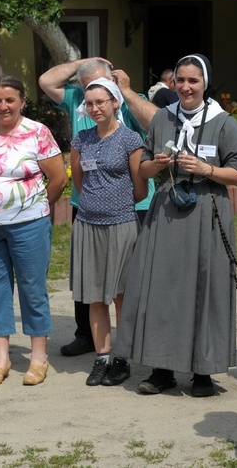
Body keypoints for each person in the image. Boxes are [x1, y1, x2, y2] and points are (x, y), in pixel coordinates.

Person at [114, 53, 237, 397]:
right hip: (167, 209)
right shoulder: (161, 119)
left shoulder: (224, 122)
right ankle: (162, 368)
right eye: (181, 80)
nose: (186, 87)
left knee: (205, 285)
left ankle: (203, 371)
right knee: (162, 287)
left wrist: (206, 170)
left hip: (207, 209)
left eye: (193, 81)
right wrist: (156, 165)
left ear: (205, 84)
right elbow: (141, 168)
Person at [38, 57, 156, 361]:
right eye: (88, 93)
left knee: (124, 284)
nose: (93, 105)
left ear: (113, 91)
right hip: (88, 208)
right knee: (91, 283)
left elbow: (155, 124)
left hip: (130, 208)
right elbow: (46, 81)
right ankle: (89, 339)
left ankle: (130, 347)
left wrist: (126, 92)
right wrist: (84, 61)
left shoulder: (130, 101)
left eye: (100, 95)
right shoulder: (78, 102)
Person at [0, 76, 67, 387]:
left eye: (10, 100)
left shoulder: (37, 132)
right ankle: (2, 358)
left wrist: (33, 207)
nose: (3, 106)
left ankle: (37, 359)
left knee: (33, 290)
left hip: (30, 225)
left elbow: (58, 178)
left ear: (22, 101)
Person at [69, 78, 147, 386]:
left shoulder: (130, 139)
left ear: (115, 102)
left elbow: (140, 189)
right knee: (94, 296)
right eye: (89, 103)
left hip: (121, 224)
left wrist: (114, 205)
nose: (95, 108)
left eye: (101, 101)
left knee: (120, 295)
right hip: (88, 224)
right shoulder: (81, 139)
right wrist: (95, 204)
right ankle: (101, 357)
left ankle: (123, 357)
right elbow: (79, 182)